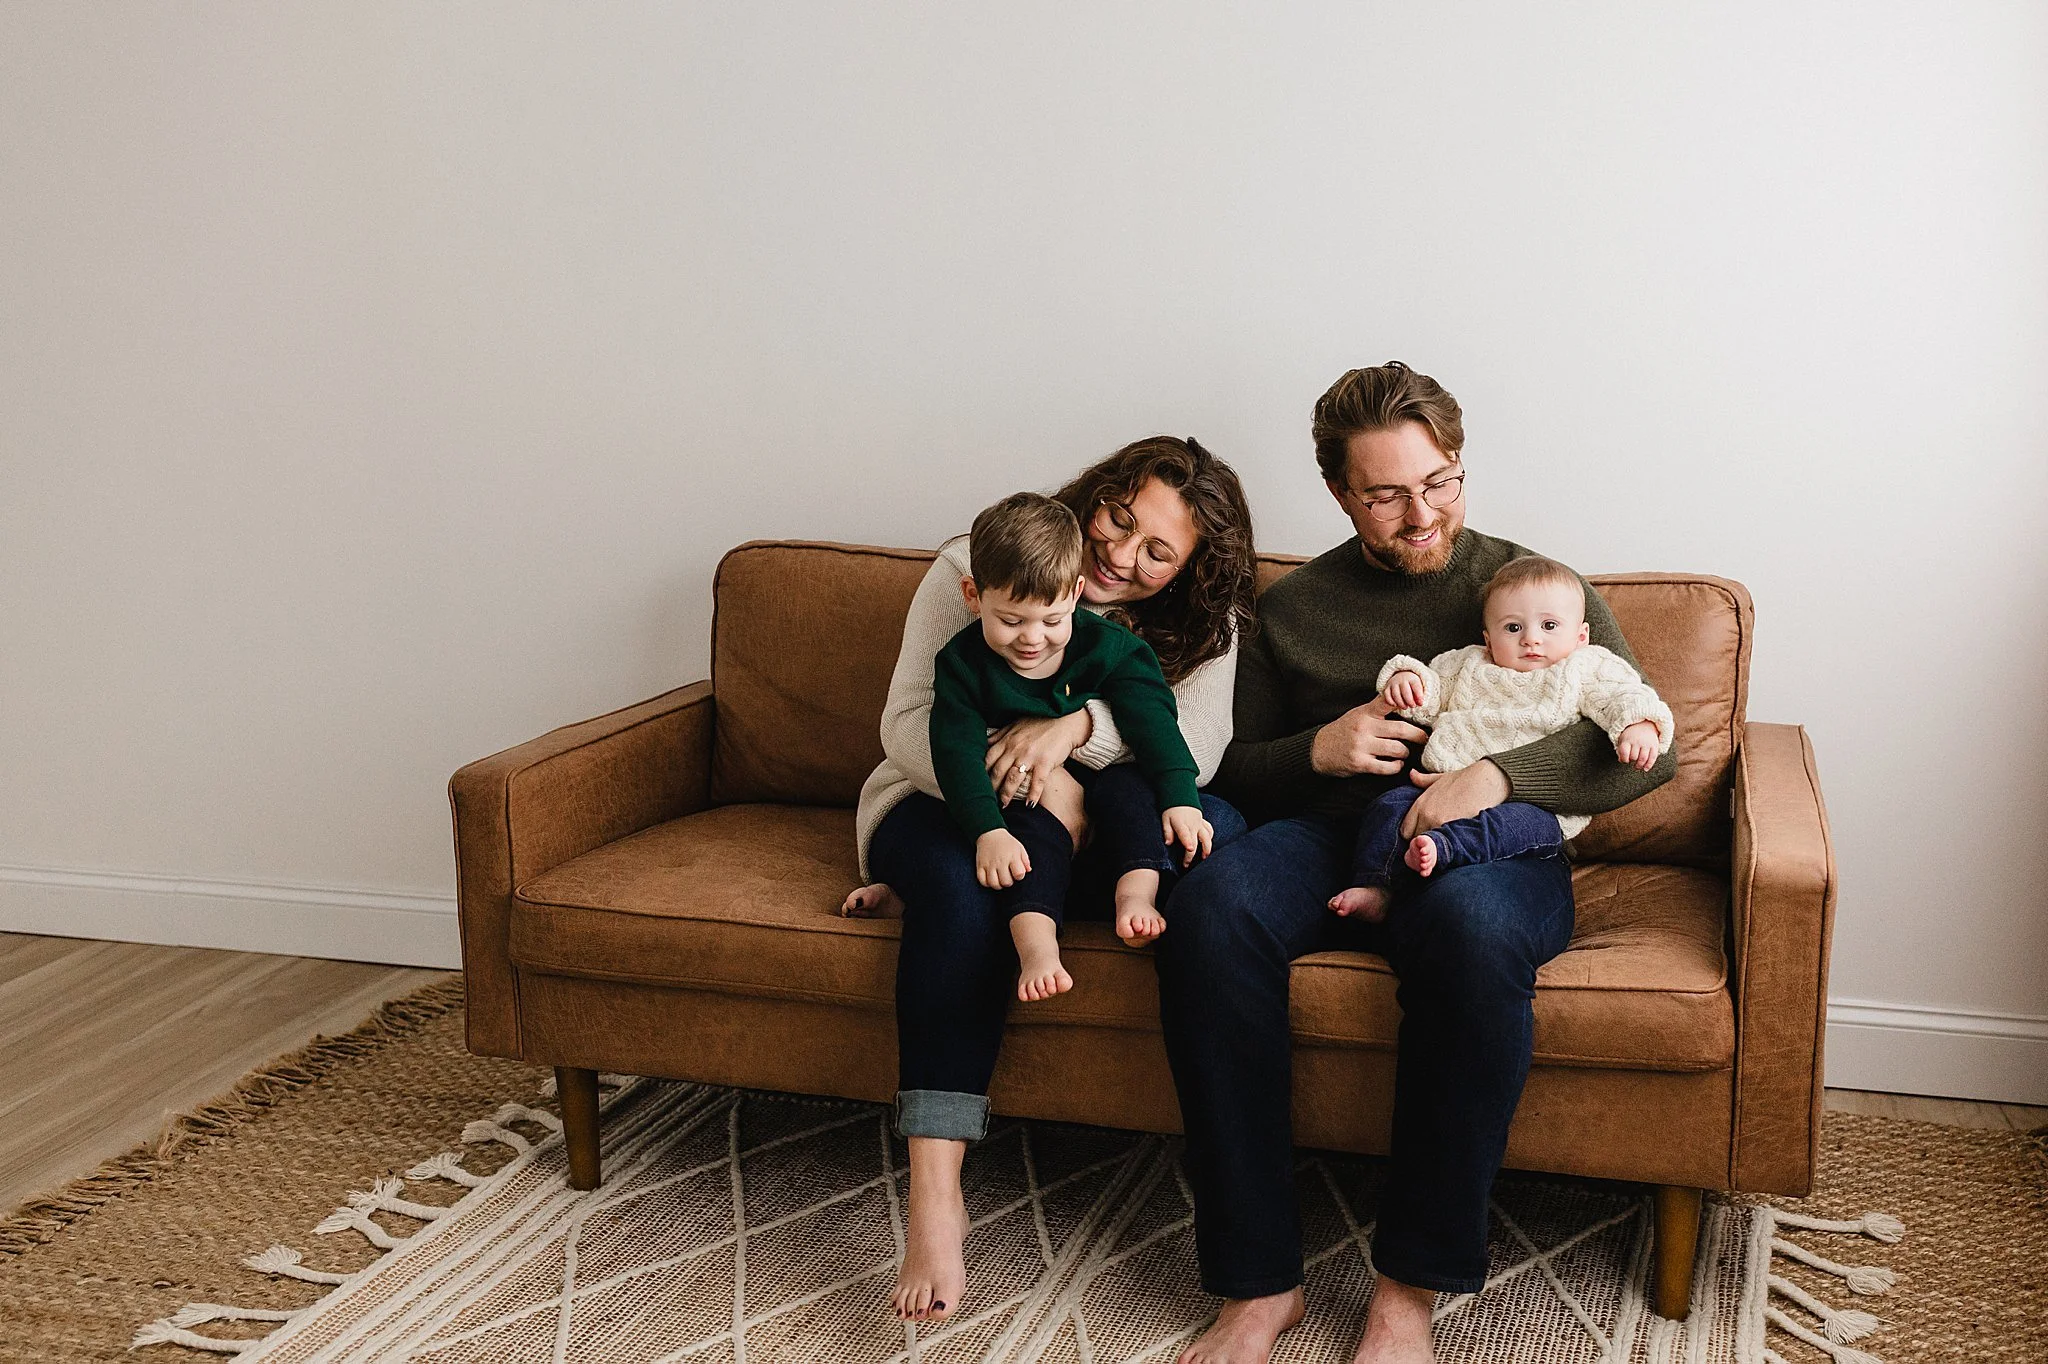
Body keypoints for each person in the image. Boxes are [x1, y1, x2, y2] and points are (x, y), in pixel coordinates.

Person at [1160, 363, 1677, 1364]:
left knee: (1471, 932)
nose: (1422, 513)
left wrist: (1496, 774)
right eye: (1387, 494)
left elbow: (1647, 749)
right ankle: (1257, 1281)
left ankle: (1407, 1292)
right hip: (1333, 833)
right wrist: (1318, 749)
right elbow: (1230, 764)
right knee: (1212, 907)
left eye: (1439, 481)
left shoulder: (1536, 589)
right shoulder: (1294, 606)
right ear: (1339, 493)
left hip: (1496, 847)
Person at [841, 437, 1259, 1325]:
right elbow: (908, 724)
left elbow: (1197, 750)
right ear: (1095, 494)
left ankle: (1051, 887)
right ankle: (935, 1196)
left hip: (1100, 819)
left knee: (1213, 834)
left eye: (1158, 552)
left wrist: (1072, 737)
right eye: (1119, 519)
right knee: (965, 889)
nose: (1121, 555)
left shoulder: (1206, 622)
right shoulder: (978, 564)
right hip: (945, 802)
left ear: (1189, 571)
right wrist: (1025, 790)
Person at [846, 490, 1216, 1000]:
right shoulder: (962, 664)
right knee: (1024, 844)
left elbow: (1156, 725)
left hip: (1099, 784)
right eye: (1011, 621)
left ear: (1075, 593)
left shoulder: (1112, 648)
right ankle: (1038, 950)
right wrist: (988, 831)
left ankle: (1136, 897)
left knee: (1137, 800)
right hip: (1016, 795)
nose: (1032, 639)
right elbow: (954, 754)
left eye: (1052, 621)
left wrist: (1180, 798)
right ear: (973, 597)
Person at [1328, 553, 1674, 922]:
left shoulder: (1586, 666)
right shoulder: (1467, 664)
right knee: (1389, 807)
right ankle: (1377, 886)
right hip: (1436, 789)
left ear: (1581, 636)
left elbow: (1623, 695)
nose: (1531, 639)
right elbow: (1430, 691)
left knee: (1515, 827)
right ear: (1488, 639)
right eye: (1512, 628)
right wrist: (1407, 681)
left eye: (1549, 625)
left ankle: (1444, 848)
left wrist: (1639, 724)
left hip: (1533, 805)